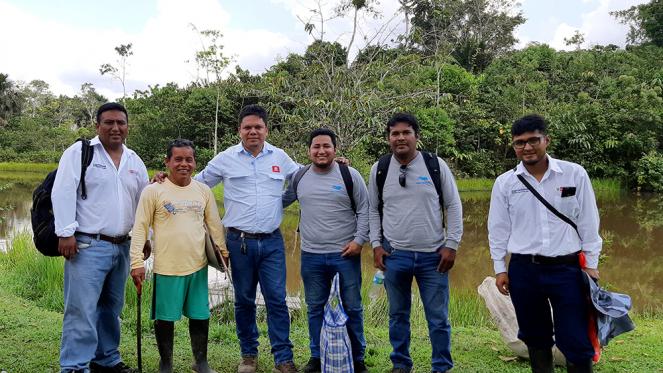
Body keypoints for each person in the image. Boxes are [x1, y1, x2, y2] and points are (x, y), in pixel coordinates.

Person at [488, 114, 602, 373]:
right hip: (524, 270)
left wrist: (591, 265)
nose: (527, 147)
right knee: (535, 337)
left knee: (576, 339)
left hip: (568, 269)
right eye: (519, 142)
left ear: (546, 140)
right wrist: (500, 269)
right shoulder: (505, 183)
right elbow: (497, 229)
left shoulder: (574, 174)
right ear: (514, 146)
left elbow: (588, 222)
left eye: (533, 140)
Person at [194, 104, 300, 373]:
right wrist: (166, 180)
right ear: (239, 130)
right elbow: (198, 184)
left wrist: (334, 165)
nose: (253, 131)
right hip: (238, 243)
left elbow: (304, 178)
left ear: (266, 129)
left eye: (258, 127)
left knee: (277, 299)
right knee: (243, 300)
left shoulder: (280, 157)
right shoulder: (226, 158)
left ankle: (283, 358)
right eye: (247, 127)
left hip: (273, 242)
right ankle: (248, 356)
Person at [52, 102, 149, 373]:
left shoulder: (134, 161)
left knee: (111, 308)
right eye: (109, 122)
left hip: (122, 246)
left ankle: (106, 359)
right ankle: (74, 366)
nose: (115, 128)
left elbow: (143, 202)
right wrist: (66, 233)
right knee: (81, 309)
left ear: (128, 127)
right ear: (98, 126)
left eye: (120, 122)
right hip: (87, 245)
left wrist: (145, 239)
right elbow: (62, 192)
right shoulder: (80, 153)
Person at [368, 113, 463, 373]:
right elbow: (373, 210)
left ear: (416, 137)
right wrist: (376, 245)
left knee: (438, 318)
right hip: (394, 255)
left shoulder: (435, 165)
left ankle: (441, 366)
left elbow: (453, 205)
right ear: (388, 138)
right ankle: (401, 363)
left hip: (434, 256)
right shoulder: (380, 168)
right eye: (394, 133)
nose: (400, 138)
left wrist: (452, 244)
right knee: (397, 315)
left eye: (406, 132)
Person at [129, 139, 228, 373]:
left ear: (195, 162)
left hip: (198, 265)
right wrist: (136, 263)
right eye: (178, 159)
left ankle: (201, 362)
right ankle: (166, 364)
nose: (184, 164)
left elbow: (214, 226)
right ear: (167, 162)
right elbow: (140, 227)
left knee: (200, 315)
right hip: (167, 268)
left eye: (189, 159)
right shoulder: (153, 191)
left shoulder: (203, 191)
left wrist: (223, 254)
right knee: (165, 318)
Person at [282, 128, 369, 373]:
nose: (321, 151)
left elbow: (365, 209)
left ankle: (357, 357)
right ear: (309, 150)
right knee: (315, 307)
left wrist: (359, 241)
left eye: (326, 146)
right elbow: (279, 201)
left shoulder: (350, 175)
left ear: (334, 149)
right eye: (316, 147)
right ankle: (316, 357)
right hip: (311, 256)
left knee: (352, 307)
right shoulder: (299, 177)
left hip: (346, 254)